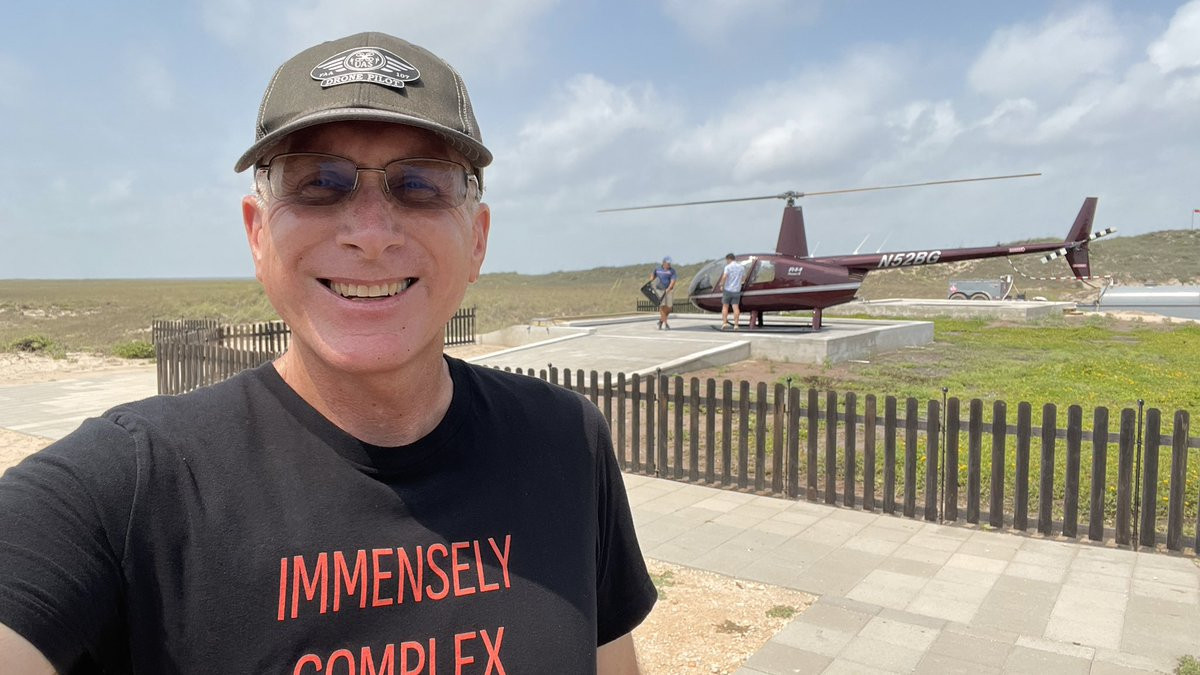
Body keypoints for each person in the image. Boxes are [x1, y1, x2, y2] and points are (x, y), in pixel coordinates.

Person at [0, 33, 656, 674]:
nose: (370, 234)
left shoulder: (566, 442)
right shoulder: (130, 488)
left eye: (420, 184)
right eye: (318, 182)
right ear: (258, 235)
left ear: (477, 240)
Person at [716, 253, 745, 330]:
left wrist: (721, 284)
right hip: (737, 290)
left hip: (728, 290)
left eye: (727, 260)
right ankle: (736, 325)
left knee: (725, 307)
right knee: (736, 307)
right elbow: (743, 279)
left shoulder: (728, 267)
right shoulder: (741, 267)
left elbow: (724, 276)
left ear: (729, 259)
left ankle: (724, 323)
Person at [649, 256, 677, 330]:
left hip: (668, 290)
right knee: (662, 306)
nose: (669, 265)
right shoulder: (657, 269)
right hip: (659, 290)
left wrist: (669, 288)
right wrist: (651, 283)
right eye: (668, 263)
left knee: (669, 308)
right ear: (664, 263)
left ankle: (660, 321)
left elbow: (673, 281)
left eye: (670, 263)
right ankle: (666, 324)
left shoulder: (672, 271)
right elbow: (652, 276)